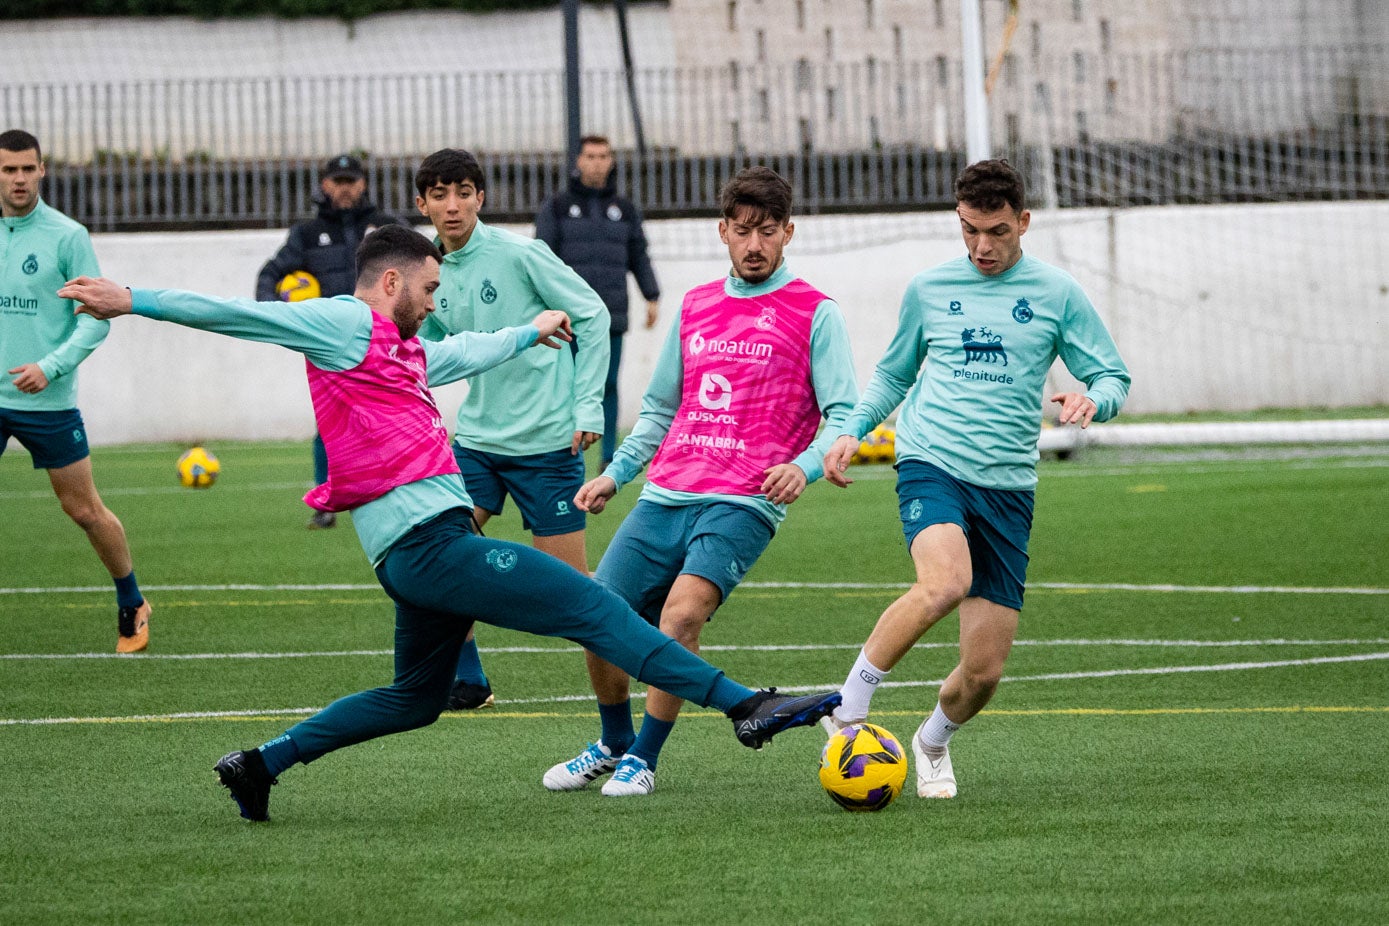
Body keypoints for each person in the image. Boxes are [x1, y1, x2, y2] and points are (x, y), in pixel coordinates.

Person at [59, 224, 842, 824]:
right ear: (391, 279)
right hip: (433, 548)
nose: (436, 301)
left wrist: (531, 330)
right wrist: (135, 300)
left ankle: (260, 764)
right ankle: (744, 706)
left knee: (415, 699)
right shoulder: (340, 323)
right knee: (594, 605)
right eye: (430, 287)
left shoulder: (399, 349)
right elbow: (241, 316)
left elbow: (464, 351)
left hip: (415, 556)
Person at [543, 166, 860, 797]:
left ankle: (645, 757)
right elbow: (661, 410)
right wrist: (615, 474)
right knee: (595, 614)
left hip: (743, 500)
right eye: (743, 231)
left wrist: (802, 467)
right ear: (722, 231)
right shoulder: (696, 306)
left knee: (681, 615)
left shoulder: (813, 312)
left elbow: (844, 412)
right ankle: (612, 740)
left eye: (767, 232)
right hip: (666, 492)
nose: (754, 245)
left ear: (787, 233)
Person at [820, 159, 1131, 799]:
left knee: (983, 673)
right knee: (944, 582)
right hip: (931, 461)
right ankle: (846, 710)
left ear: (1022, 222)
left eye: (995, 232)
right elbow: (893, 374)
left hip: (1009, 487)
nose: (981, 247)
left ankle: (932, 740)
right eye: (968, 231)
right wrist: (853, 427)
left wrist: (1091, 400)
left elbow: (1112, 377)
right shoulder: (930, 288)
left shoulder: (1057, 293)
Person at [414, 148, 611, 711]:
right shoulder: (427, 271)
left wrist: (588, 406)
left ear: (481, 197)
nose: (452, 206)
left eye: (463, 192)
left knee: (569, 594)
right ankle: (469, 680)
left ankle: (636, 626)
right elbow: (427, 347)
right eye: (439, 194)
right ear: (422, 202)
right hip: (475, 442)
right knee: (437, 556)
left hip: (547, 444)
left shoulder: (522, 254)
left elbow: (592, 313)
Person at [0, 128, 152, 654]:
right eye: (8, 169)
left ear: (42, 171)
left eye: (27, 168)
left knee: (84, 510)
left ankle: (131, 600)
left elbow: (95, 320)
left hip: (47, 400)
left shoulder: (67, 236)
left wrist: (50, 365)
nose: (18, 179)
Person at [255, 153, 408, 530]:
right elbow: (271, 275)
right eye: (337, 181)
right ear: (325, 185)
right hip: (333, 340)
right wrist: (278, 314)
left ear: (363, 184)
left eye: (351, 181)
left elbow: (419, 265)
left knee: (395, 416)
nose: (344, 188)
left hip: (383, 335)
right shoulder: (306, 234)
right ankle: (328, 501)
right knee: (332, 423)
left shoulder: (386, 227)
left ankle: (403, 493)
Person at [535, 134, 661, 470]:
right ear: (578, 161)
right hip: (566, 318)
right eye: (590, 156)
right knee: (564, 386)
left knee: (607, 384)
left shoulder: (625, 209)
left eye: (603, 156)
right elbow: (540, 259)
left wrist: (652, 295)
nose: (597, 162)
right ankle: (560, 452)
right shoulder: (557, 207)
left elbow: (639, 254)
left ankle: (608, 458)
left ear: (611, 161)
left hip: (610, 315)